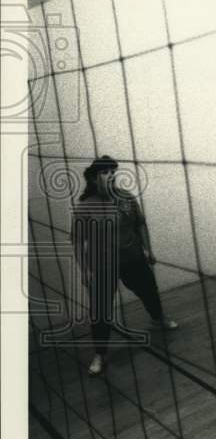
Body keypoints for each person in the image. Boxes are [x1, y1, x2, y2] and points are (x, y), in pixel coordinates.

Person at [71, 155, 178, 376]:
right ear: (93, 178)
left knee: (149, 291)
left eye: (112, 172)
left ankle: (158, 318)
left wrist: (148, 249)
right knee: (100, 311)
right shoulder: (85, 207)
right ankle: (100, 354)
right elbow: (78, 242)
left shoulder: (127, 198)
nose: (110, 176)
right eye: (104, 172)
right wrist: (85, 270)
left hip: (133, 259)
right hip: (102, 266)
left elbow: (141, 224)